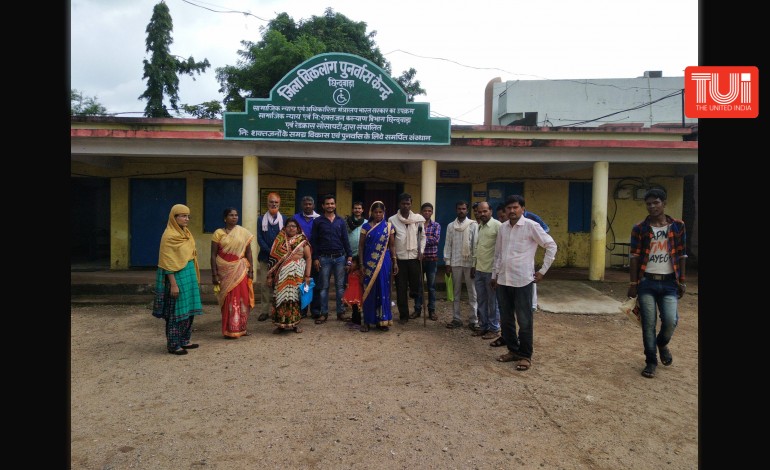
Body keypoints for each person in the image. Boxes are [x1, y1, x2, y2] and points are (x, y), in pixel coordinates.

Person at [492, 195, 557, 372]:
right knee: (506, 319)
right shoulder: (503, 228)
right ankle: (513, 350)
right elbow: (498, 254)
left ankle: (525, 355)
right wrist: (494, 275)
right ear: (505, 211)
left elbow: (551, 245)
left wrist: (542, 271)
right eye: (509, 208)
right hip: (504, 280)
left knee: (524, 320)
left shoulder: (531, 226)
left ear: (522, 209)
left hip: (523, 281)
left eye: (515, 207)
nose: (512, 211)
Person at [627, 188, 687, 379]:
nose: (652, 206)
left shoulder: (678, 226)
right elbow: (635, 257)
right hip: (647, 282)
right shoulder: (640, 228)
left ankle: (662, 343)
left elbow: (682, 254)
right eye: (649, 203)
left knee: (670, 321)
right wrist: (633, 282)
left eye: (656, 202)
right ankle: (651, 361)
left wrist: (682, 281)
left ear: (664, 203)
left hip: (669, 282)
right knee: (648, 324)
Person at [151, 204, 203, 355]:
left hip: (189, 275)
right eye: (183, 216)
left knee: (189, 309)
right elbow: (167, 263)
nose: (187, 219)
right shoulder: (169, 236)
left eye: (188, 216)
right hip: (177, 277)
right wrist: (173, 284)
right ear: (174, 218)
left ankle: (185, 340)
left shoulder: (186, 233)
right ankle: (173, 344)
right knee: (176, 311)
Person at [210, 208, 255, 339]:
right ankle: (229, 329)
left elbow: (249, 252)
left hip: (240, 270)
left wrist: (251, 270)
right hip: (224, 271)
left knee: (243, 298)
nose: (234, 217)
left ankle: (242, 328)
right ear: (225, 218)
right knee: (229, 299)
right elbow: (213, 255)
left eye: (236, 215)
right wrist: (214, 274)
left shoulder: (243, 232)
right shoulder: (218, 233)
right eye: (231, 215)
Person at [310, 194, 353, 324]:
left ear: (335, 205)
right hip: (324, 259)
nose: (330, 206)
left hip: (340, 258)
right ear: (323, 206)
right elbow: (314, 241)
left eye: (332, 203)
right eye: (327, 204)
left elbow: (345, 239)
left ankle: (340, 313)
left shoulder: (340, 221)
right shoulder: (318, 221)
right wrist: (315, 258)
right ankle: (324, 314)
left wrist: (349, 256)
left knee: (340, 287)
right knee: (323, 287)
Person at [266, 217, 312, 334]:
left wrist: (307, 276)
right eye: (289, 226)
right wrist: (270, 276)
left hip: (297, 273)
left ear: (297, 228)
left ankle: (295, 324)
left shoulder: (302, 240)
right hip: (282, 275)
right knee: (281, 297)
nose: (291, 228)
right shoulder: (279, 241)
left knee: (294, 298)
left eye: (293, 226)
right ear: (284, 228)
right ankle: (280, 325)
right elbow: (273, 259)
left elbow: (308, 258)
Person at [358, 201, 397, 332]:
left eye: (381, 212)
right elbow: (361, 246)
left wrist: (395, 261)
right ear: (371, 213)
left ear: (384, 213)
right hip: (369, 262)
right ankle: (368, 321)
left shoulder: (388, 226)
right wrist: (361, 264)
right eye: (376, 212)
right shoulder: (365, 227)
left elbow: (392, 245)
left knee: (383, 289)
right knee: (369, 290)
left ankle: (383, 320)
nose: (378, 214)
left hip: (384, 261)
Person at [388, 192, 426, 324]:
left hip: (415, 257)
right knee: (401, 288)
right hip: (400, 259)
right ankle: (404, 315)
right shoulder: (392, 220)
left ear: (411, 204)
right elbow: (390, 240)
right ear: (399, 204)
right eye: (403, 203)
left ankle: (414, 297)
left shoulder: (418, 219)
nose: (406, 206)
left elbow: (422, 237)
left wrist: (421, 250)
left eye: (408, 203)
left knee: (415, 285)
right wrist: (393, 258)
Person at [444, 200, 479, 329]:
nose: (461, 211)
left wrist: (475, 264)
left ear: (467, 210)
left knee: (472, 292)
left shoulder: (473, 225)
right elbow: (448, 245)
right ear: (456, 210)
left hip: (469, 263)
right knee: (456, 291)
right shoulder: (450, 226)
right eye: (459, 208)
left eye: (463, 209)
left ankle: (473, 320)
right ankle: (456, 318)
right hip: (455, 262)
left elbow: (475, 245)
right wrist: (447, 262)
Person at [472, 201, 502, 339]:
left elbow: (501, 251)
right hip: (479, 270)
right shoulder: (480, 227)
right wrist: (474, 265)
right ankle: (483, 326)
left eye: (485, 211)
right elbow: (478, 248)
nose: (482, 214)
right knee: (481, 300)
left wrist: (497, 274)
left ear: (491, 211)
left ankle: (494, 328)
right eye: (479, 211)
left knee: (492, 301)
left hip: (491, 271)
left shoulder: (498, 226)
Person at [256, 192, 287, 321]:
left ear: (279, 204)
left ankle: (277, 310)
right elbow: (259, 238)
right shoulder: (260, 219)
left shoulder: (284, 219)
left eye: (276, 202)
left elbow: (286, 237)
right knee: (265, 285)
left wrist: (277, 252)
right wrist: (270, 251)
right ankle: (264, 311)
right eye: (271, 202)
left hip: (280, 258)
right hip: (265, 257)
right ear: (267, 204)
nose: (273, 204)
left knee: (279, 285)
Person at [294, 195, 321, 318]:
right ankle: (303, 309)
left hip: (315, 256)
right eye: (305, 204)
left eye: (310, 204)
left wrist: (317, 257)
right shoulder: (295, 219)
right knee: (301, 283)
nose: (308, 206)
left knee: (314, 283)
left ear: (314, 206)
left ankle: (315, 310)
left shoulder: (319, 219)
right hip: (299, 256)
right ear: (302, 205)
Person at [418, 202, 441, 321]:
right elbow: (415, 240)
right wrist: (425, 238)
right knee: (419, 286)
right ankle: (417, 309)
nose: (427, 213)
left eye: (429, 211)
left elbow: (435, 240)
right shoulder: (417, 225)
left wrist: (422, 238)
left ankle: (431, 310)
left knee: (431, 286)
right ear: (421, 212)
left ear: (432, 212)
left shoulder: (436, 225)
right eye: (425, 211)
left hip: (431, 259)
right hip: (419, 259)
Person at [345, 201, 366, 324]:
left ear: (363, 210)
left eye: (360, 208)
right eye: (355, 208)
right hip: (350, 256)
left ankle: (361, 311)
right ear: (353, 210)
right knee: (351, 284)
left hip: (362, 257)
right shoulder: (346, 222)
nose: (358, 210)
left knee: (361, 285)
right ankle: (352, 312)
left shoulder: (367, 223)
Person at [342, 258, 363, 326]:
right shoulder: (350, 271)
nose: (351, 264)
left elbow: (362, 281)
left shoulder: (358, 272)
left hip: (357, 292)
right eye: (351, 263)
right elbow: (346, 267)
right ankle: (354, 320)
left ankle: (357, 322)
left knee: (357, 307)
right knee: (354, 307)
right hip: (351, 292)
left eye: (353, 263)